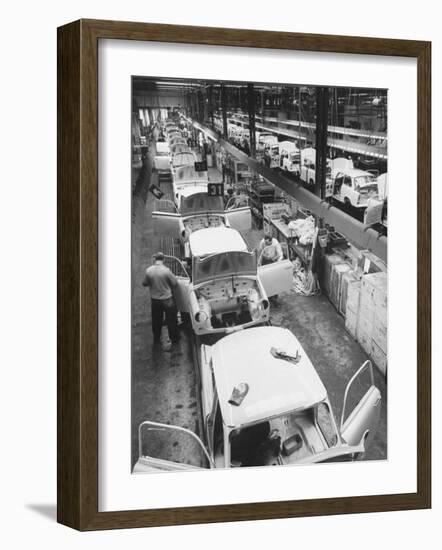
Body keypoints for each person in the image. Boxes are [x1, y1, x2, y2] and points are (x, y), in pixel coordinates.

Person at [142, 252, 180, 346]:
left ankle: (156, 337)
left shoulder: (149, 270)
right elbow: (175, 283)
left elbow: (144, 283)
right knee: (171, 320)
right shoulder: (166, 271)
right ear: (163, 259)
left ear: (155, 259)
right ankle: (174, 339)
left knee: (156, 320)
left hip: (155, 300)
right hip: (167, 299)